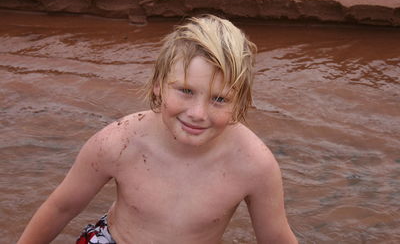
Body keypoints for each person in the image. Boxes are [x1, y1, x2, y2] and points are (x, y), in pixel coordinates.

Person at [17, 15, 297, 244]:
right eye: (186, 91)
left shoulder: (254, 165)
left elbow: (275, 236)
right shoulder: (118, 142)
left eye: (219, 99)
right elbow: (61, 208)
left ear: (240, 103)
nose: (198, 113)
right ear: (158, 84)